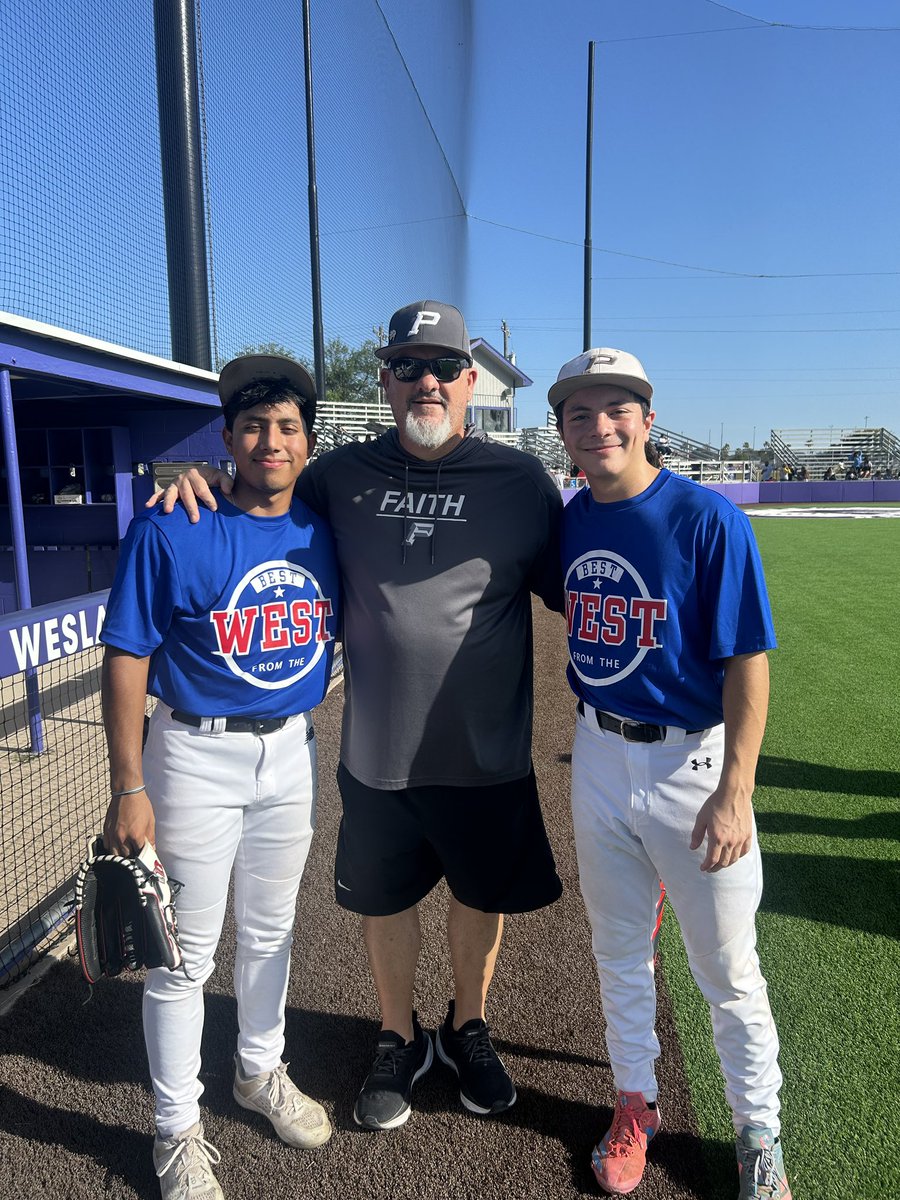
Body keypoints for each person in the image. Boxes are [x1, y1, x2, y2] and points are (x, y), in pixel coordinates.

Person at [152, 301, 563, 1133]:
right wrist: (191, 472)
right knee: (386, 901)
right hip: (377, 753)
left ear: (471, 381)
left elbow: (581, 588)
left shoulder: (521, 483)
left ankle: (467, 1025)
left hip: (487, 753)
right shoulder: (336, 476)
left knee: (480, 897)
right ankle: (395, 1034)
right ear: (384, 381)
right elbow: (253, 487)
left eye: (444, 367)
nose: (428, 382)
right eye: (409, 366)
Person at [550, 348, 791, 1200]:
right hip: (599, 756)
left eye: (618, 408)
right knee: (617, 952)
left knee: (726, 968)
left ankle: (758, 1133)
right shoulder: (572, 520)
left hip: (695, 763)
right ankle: (635, 1105)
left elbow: (749, 663)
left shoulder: (706, 519)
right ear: (564, 433)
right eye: (581, 413)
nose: (600, 425)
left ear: (649, 419)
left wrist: (737, 791)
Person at [102, 355, 340, 1200]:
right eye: (252, 427)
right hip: (194, 754)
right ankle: (176, 1130)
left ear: (308, 439)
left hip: (291, 752)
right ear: (227, 437)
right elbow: (128, 652)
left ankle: (258, 1072)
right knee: (183, 958)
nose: (270, 442)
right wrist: (127, 784)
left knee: (273, 932)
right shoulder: (172, 525)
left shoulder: (323, 528)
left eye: (286, 427)